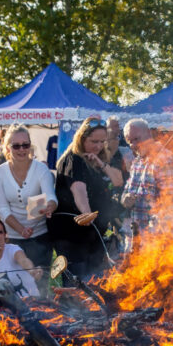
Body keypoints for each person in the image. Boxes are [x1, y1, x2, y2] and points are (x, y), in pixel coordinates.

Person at [48, 117, 123, 283]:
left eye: (102, 142)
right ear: (81, 138)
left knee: (93, 280)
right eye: (93, 141)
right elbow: (78, 189)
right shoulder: (74, 159)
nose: (98, 146)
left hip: (92, 233)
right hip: (72, 234)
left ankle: (90, 308)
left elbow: (118, 181)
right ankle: (72, 308)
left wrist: (100, 163)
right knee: (77, 280)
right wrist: (87, 213)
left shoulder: (97, 159)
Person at [0, 125, 56, 291]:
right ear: (7, 148)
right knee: (15, 287)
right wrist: (20, 229)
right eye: (16, 145)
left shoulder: (41, 169)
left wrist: (50, 206)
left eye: (25, 145)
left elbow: (51, 196)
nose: (21, 149)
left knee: (39, 288)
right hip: (12, 239)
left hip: (40, 238)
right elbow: (2, 208)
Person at [121, 118, 173, 235]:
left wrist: (155, 237)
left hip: (159, 238)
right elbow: (126, 193)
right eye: (130, 141)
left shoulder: (164, 160)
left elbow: (170, 204)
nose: (134, 144)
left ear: (149, 134)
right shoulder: (137, 162)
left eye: (137, 139)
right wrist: (125, 199)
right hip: (138, 236)